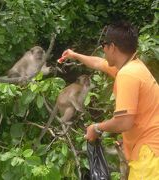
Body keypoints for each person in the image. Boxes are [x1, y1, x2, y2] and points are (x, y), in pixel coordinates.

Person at [61, 21, 159, 179]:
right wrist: (74, 55)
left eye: (103, 45)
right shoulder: (134, 66)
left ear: (112, 47)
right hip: (150, 149)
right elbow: (99, 63)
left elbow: (124, 122)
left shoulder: (128, 75)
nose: (103, 50)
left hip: (149, 157)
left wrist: (96, 128)